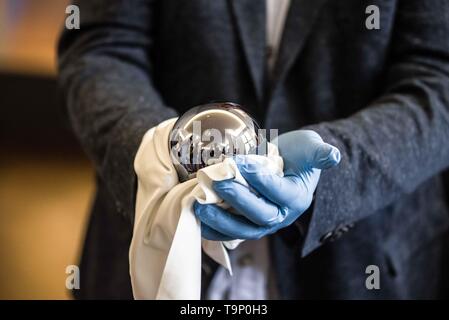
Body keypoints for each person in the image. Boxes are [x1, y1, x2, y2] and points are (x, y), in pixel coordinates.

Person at [58, 0, 449, 299]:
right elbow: (103, 47)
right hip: (151, 251)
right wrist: (160, 155)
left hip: (359, 263)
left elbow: (438, 78)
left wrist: (334, 172)